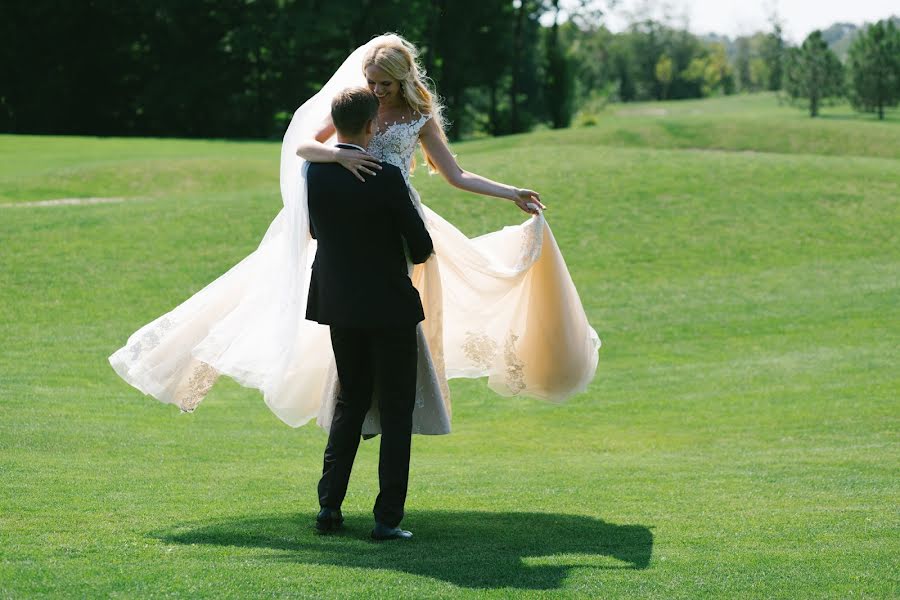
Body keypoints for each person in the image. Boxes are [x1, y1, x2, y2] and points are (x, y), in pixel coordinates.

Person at [108, 33, 599, 439]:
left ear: (403, 80)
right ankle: (351, 408)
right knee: (282, 294)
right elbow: (303, 144)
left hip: (398, 224)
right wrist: (339, 155)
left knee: (407, 311)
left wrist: (510, 192)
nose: (377, 91)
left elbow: (456, 175)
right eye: (371, 83)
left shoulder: (419, 119)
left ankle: (387, 412)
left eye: (385, 84)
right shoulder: (359, 106)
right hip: (347, 220)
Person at [308, 87, 431, 540]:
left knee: (350, 402)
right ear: (371, 125)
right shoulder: (386, 176)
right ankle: (387, 519)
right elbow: (420, 248)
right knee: (397, 413)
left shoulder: (314, 173)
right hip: (390, 307)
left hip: (339, 305)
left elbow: (314, 229)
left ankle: (329, 508)